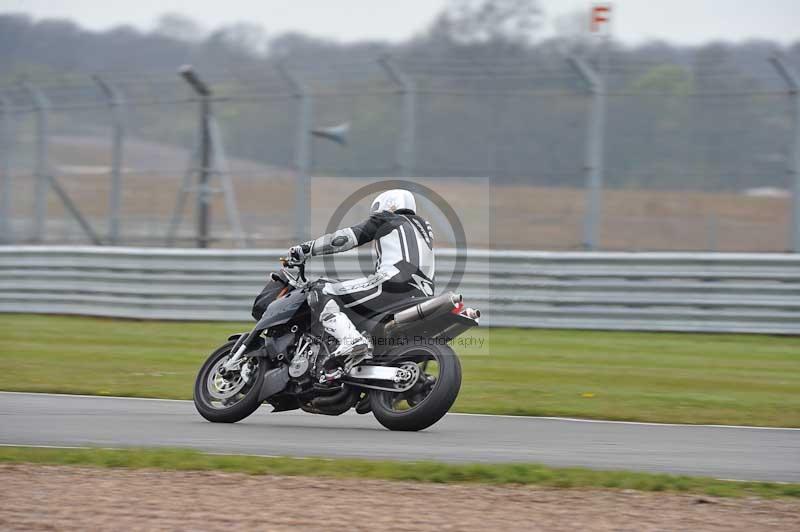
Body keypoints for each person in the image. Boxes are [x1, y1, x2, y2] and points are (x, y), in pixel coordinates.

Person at [288, 189, 435, 366]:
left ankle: (351, 340)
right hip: (424, 293)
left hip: (394, 283)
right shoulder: (423, 228)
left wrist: (307, 249)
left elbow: (345, 239)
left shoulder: (388, 219)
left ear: (389, 204)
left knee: (321, 290)